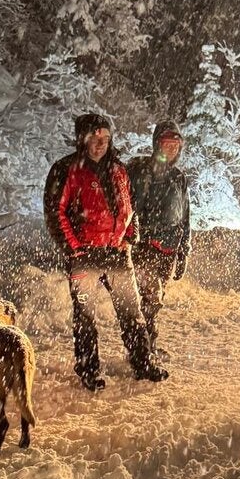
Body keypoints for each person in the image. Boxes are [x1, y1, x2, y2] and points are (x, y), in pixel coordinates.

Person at [44, 112, 167, 388]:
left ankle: (142, 362)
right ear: (82, 139)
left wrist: (130, 235)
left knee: (131, 310)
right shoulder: (66, 169)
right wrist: (74, 249)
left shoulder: (117, 169)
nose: (101, 144)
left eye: (106, 138)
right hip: (84, 255)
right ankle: (88, 369)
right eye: (95, 138)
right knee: (85, 314)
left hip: (117, 252)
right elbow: (55, 212)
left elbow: (129, 205)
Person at [126, 120, 192, 360]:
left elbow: (185, 216)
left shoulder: (178, 177)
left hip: (169, 248)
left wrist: (184, 249)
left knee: (155, 299)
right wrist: (142, 238)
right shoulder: (142, 171)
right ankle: (142, 350)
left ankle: (148, 345)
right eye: (166, 144)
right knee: (147, 298)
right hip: (145, 246)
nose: (171, 149)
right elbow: (133, 210)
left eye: (176, 145)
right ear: (156, 144)